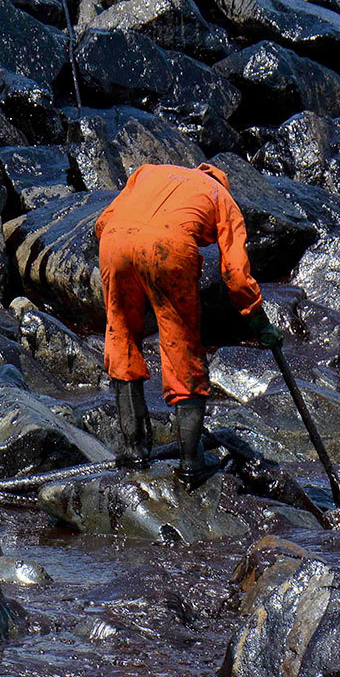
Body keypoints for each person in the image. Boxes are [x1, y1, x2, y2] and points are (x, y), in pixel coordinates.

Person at [93, 162, 283, 485]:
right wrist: (258, 318)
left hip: (113, 241)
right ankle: (190, 463)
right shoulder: (221, 196)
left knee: (121, 337)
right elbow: (236, 275)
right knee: (182, 348)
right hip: (168, 248)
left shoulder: (148, 171)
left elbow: (102, 222)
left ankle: (132, 450)